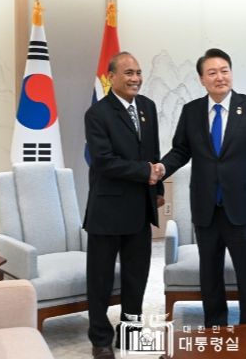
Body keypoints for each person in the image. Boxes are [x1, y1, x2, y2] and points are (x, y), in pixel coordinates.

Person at [156, 48, 246, 326]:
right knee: (209, 272)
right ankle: (215, 326)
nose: (219, 77)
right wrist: (162, 169)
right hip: (206, 206)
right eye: (212, 72)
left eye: (224, 71)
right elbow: (180, 150)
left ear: (231, 73)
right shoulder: (191, 111)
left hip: (244, 204)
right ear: (202, 79)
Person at [84, 52, 165, 359]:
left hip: (140, 208)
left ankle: (131, 331)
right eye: (129, 73)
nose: (136, 79)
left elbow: (153, 151)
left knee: (136, 277)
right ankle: (100, 339)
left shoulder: (147, 107)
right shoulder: (97, 113)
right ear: (111, 77)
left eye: (139, 72)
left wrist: (157, 189)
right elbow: (103, 161)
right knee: (100, 280)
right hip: (107, 211)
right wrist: (145, 172)